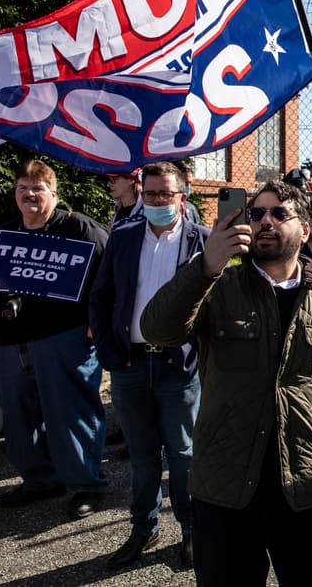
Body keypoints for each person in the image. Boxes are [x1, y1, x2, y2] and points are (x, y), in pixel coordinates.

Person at [140, 180, 312, 586]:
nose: (264, 221)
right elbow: (156, 331)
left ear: (304, 229)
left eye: (279, 213)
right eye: (256, 213)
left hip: (304, 491)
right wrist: (205, 267)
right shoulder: (216, 285)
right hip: (224, 492)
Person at [0, 160, 110, 519]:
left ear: (54, 193)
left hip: (62, 337)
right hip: (6, 341)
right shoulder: (4, 233)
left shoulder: (79, 228)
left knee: (70, 413)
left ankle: (86, 484)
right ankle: (40, 480)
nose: (30, 195)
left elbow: (109, 278)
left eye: (38, 188)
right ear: (15, 193)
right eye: (23, 189)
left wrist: (99, 320)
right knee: (18, 419)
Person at [87, 162, 208, 570]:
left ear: (182, 196)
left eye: (165, 194)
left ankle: (193, 532)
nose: (157, 201)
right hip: (130, 364)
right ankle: (144, 528)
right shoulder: (122, 238)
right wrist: (110, 354)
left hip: (179, 366)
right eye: (150, 194)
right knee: (141, 456)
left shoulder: (203, 243)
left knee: (183, 454)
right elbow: (100, 299)